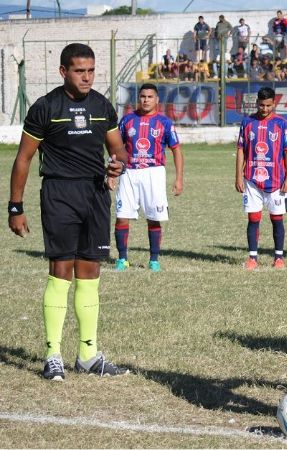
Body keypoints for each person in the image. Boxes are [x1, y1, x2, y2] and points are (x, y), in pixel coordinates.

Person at [8, 43, 129, 380]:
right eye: (79, 71)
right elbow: (23, 158)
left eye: (91, 71)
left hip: (95, 194)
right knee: (61, 269)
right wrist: (16, 206)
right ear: (63, 72)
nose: (87, 77)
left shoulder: (102, 106)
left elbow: (118, 149)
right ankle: (53, 355)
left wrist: (118, 163)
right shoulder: (46, 107)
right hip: (59, 193)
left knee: (90, 272)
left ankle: (88, 355)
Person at [114, 83, 184, 273]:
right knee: (122, 217)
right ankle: (122, 259)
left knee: (154, 218)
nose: (146, 100)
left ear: (157, 99)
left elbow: (176, 150)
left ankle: (154, 260)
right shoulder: (127, 120)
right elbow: (117, 147)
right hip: (129, 172)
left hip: (154, 173)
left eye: (150, 97)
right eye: (143, 96)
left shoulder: (164, 122)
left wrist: (179, 179)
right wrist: (112, 172)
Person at [235, 87, 287, 270]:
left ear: (274, 104)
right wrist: (238, 175)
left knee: (277, 218)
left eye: (268, 105)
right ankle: (252, 258)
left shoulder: (281, 124)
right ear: (256, 103)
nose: (265, 109)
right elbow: (241, 150)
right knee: (253, 217)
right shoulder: (247, 122)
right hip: (252, 179)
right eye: (261, 105)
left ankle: (279, 258)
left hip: (276, 180)